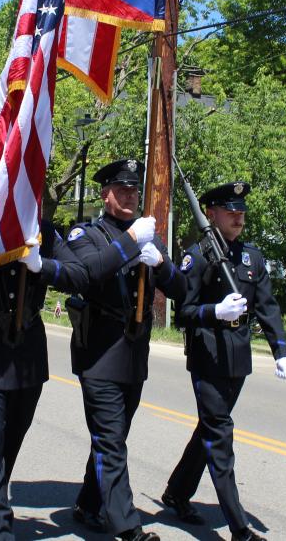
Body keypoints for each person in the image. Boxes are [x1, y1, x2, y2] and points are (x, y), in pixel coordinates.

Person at [0, 214, 122, 540]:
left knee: (8, 444)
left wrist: (43, 266)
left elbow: (80, 275)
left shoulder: (43, 232)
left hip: (27, 355)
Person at [160, 181, 286, 541]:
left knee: (209, 429)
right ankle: (239, 528)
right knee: (220, 436)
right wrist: (215, 311)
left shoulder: (251, 257)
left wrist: (280, 351)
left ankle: (176, 492)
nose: (238, 217)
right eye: (231, 211)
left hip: (238, 355)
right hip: (207, 354)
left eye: (241, 211)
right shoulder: (198, 256)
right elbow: (184, 312)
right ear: (212, 214)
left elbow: (267, 307)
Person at [66, 158, 186, 541]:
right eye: (122, 190)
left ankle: (88, 504)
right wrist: (132, 241)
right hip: (100, 354)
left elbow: (181, 289)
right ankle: (127, 527)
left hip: (134, 354)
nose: (130, 196)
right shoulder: (86, 234)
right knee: (111, 439)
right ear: (105, 195)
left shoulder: (148, 234)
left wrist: (161, 265)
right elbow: (90, 272)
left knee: (112, 437)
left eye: (134, 190)